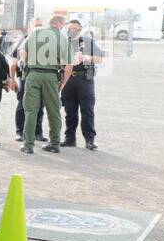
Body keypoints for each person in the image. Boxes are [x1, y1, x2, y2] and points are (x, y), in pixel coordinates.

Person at [18, 14, 77, 154]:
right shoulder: (63, 38)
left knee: (31, 110)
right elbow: (69, 65)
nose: (63, 27)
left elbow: (22, 51)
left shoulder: (35, 32)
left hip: (32, 75)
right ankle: (55, 144)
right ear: (57, 24)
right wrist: (62, 83)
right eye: (63, 25)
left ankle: (28, 145)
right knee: (53, 111)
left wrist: (24, 61)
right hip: (51, 76)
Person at [61, 20, 103, 149]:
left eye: (75, 29)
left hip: (85, 79)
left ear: (80, 30)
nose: (72, 31)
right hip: (68, 79)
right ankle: (70, 138)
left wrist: (86, 58)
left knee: (87, 110)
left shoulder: (88, 42)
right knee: (70, 111)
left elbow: (100, 59)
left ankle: (90, 140)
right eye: (70, 28)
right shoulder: (63, 42)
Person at [13, 20, 45, 144]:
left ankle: (38, 132)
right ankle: (20, 132)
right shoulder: (23, 40)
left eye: (40, 25)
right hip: (25, 76)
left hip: (41, 77)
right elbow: (15, 60)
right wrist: (11, 78)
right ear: (29, 27)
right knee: (22, 104)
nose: (38, 27)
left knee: (40, 105)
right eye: (36, 25)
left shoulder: (46, 41)